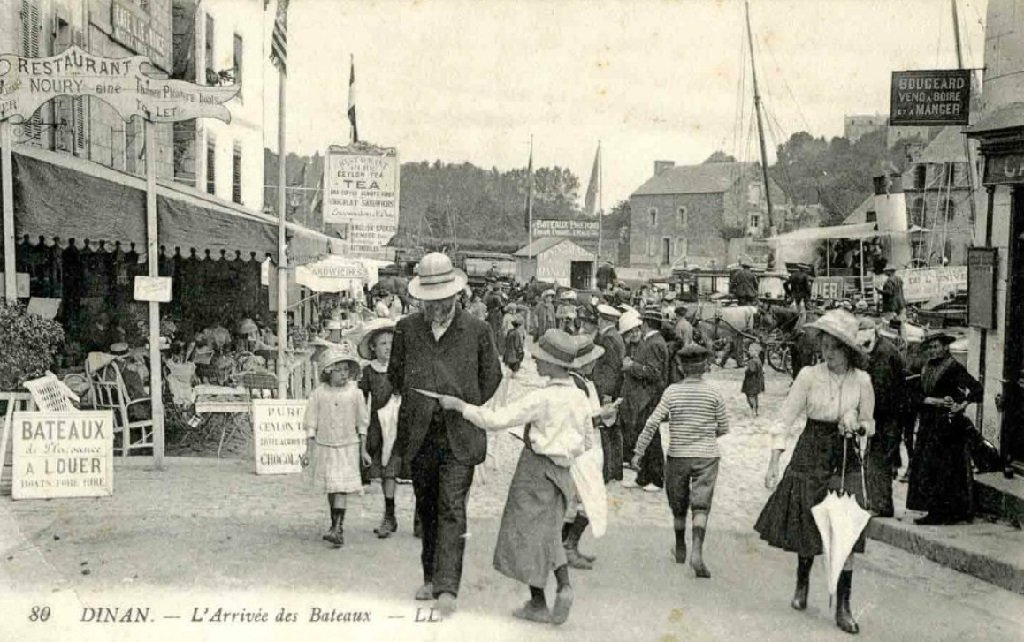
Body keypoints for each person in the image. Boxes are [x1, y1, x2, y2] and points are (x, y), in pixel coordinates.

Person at [437, 329, 599, 625]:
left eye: (540, 359)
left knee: (525, 534)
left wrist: (461, 407)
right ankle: (564, 586)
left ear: (552, 365)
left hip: (535, 469)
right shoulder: (579, 397)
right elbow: (587, 441)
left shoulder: (541, 397)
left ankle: (538, 602)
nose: (535, 362)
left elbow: (497, 420)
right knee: (549, 531)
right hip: (563, 471)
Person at [388, 252, 502, 618]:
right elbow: (395, 374)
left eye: (442, 298)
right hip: (420, 433)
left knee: (452, 506)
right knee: (427, 507)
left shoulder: (478, 330)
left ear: (456, 294)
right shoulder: (407, 329)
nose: (436, 305)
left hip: (460, 434)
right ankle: (429, 576)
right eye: (429, 299)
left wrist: (464, 404)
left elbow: (492, 378)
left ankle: (447, 587)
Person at [755, 309, 875, 635]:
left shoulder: (862, 381)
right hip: (811, 451)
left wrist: (857, 426)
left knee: (845, 529)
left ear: (847, 350)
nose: (827, 353)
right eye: (823, 346)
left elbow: (870, 423)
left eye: (833, 347)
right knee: (809, 524)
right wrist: (774, 462)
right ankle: (802, 580)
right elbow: (784, 419)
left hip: (845, 456)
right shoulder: (809, 376)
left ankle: (844, 606)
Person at [632, 344, 728, 578]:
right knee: (701, 505)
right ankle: (697, 549)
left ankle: (680, 546)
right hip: (707, 455)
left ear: (681, 367)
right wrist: (705, 436)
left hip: (678, 455)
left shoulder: (672, 392)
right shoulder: (714, 393)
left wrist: (638, 451)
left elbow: (653, 422)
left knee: (678, 504)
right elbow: (724, 427)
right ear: (705, 366)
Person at [906, 330, 983, 525]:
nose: (933, 351)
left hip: (947, 427)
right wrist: (928, 400)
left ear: (945, 347)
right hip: (928, 423)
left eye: (936, 346)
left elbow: (976, 389)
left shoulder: (953, 367)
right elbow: (914, 395)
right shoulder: (926, 367)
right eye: (930, 347)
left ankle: (944, 512)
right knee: (927, 466)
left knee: (944, 468)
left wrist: (961, 404)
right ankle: (935, 510)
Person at [303, 345, 370, 548]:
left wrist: (363, 450)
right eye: (339, 370)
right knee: (332, 488)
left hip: (348, 446)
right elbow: (311, 423)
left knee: (341, 487)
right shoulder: (319, 394)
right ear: (328, 372)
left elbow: (362, 423)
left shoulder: (355, 394)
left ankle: (338, 528)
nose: (343, 375)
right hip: (326, 447)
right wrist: (308, 448)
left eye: (346, 370)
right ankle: (335, 525)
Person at [857, 318, 908, 518]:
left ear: (873, 332)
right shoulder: (877, 350)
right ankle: (877, 503)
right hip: (884, 416)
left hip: (887, 417)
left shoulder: (884, 354)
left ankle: (882, 506)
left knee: (878, 460)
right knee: (875, 458)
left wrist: (866, 413)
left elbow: (880, 390)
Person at [358, 319, 401, 538]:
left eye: (391, 343)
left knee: (401, 469)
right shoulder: (369, 372)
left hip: (399, 425)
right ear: (373, 347)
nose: (388, 348)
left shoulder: (400, 368)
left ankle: (421, 517)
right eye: (383, 343)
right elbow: (361, 402)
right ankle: (389, 515)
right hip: (378, 427)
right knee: (387, 471)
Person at [620, 305, 669, 491]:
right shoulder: (651, 340)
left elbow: (654, 373)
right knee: (645, 436)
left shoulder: (655, 343)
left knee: (651, 438)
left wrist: (631, 366)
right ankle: (643, 477)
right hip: (644, 396)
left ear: (647, 323)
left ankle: (656, 479)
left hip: (650, 397)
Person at [590, 304, 625, 482]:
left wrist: (606, 393)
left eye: (599, 318)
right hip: (612, 389)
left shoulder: (609, 339)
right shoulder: (614, 336)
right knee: (613, 430)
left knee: (607, 430)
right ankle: (615, 470)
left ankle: (608, 471)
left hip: (607, 390)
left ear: (603, 320)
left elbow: (610, 369)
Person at [742, 343, 765, 417]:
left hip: (751, 382)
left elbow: (751, 370)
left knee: (750, 396)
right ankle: (756, 410)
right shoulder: (758, 360)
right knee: (755, 396)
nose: (749, 352)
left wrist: (746, 371)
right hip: (758, 382)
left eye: (750, 351)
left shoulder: (752, 361)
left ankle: (753, 409)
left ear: (755, 352)